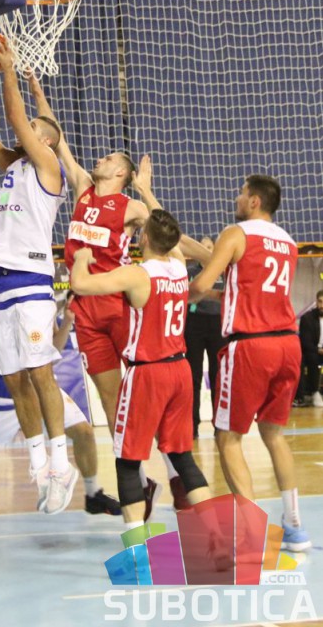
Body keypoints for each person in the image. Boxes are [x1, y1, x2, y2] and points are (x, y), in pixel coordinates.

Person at [29, 77, 211, 514]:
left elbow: (168, 235)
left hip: (120, 305)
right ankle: (143, 481)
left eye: (109, 157)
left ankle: (175, 472)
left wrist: (209, 255)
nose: (100, 158)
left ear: (121, 173)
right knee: (114, 404)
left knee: (145, 397)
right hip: (86, 313)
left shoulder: (132, 208)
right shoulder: (81, 187)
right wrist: (36, 90)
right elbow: (57, 137)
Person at [0, 43, 77, 516]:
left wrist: (10, 70)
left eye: (34, 128)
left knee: (39, 371)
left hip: (31, 278)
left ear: (45, 141)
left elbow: (15, 121)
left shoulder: (50, 168)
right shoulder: (15, 165)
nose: (26, 128)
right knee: (12, 377)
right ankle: (38, 466)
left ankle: (61, 464)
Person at [70, 210, 224, 540]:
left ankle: (137, 552)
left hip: (147, 373)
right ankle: (217, 539)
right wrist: (148, 195)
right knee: (183, 458)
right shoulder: (179, 267)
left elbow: (80, 284)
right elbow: (176, 240)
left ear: (144, 238)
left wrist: (82, 258)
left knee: (127, 461)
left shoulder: (137, 275)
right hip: (180, 370)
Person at [189, 175, 311, 552]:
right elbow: (250, 287)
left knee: (227, 437)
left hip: (250, 346)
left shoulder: (236, 232)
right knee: (274, 435)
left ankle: (252, 533)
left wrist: (178, 294)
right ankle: (294, 526)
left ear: (255, 201)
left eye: (242, 193)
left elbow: (201, 285)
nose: (237, 198)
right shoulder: (288, 241)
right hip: (287, 344)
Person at [0, 301, 121, 529]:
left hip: (38, 384)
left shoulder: (42, 297)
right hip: (1, 387)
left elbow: (54, 349)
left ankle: (93, 495)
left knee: (84, 432)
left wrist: (67, 322)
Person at [184, 236, 226, 438]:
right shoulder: (190, 271)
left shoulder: (223, 271)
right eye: (202, 247)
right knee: (193, 375)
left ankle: (220, 425)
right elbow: (187, 295)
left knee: (218, 375)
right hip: (194, 324)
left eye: (209, 247)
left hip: (217, 324)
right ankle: (192, 425)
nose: (206, 250)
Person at [295, 290, 323, 408]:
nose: (322, 305)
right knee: (310, 357)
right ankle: (310, 394)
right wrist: (320, 351)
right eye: (320, 302)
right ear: (316, 302)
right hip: (310, 352)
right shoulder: (307, 318)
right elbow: (306, 342)